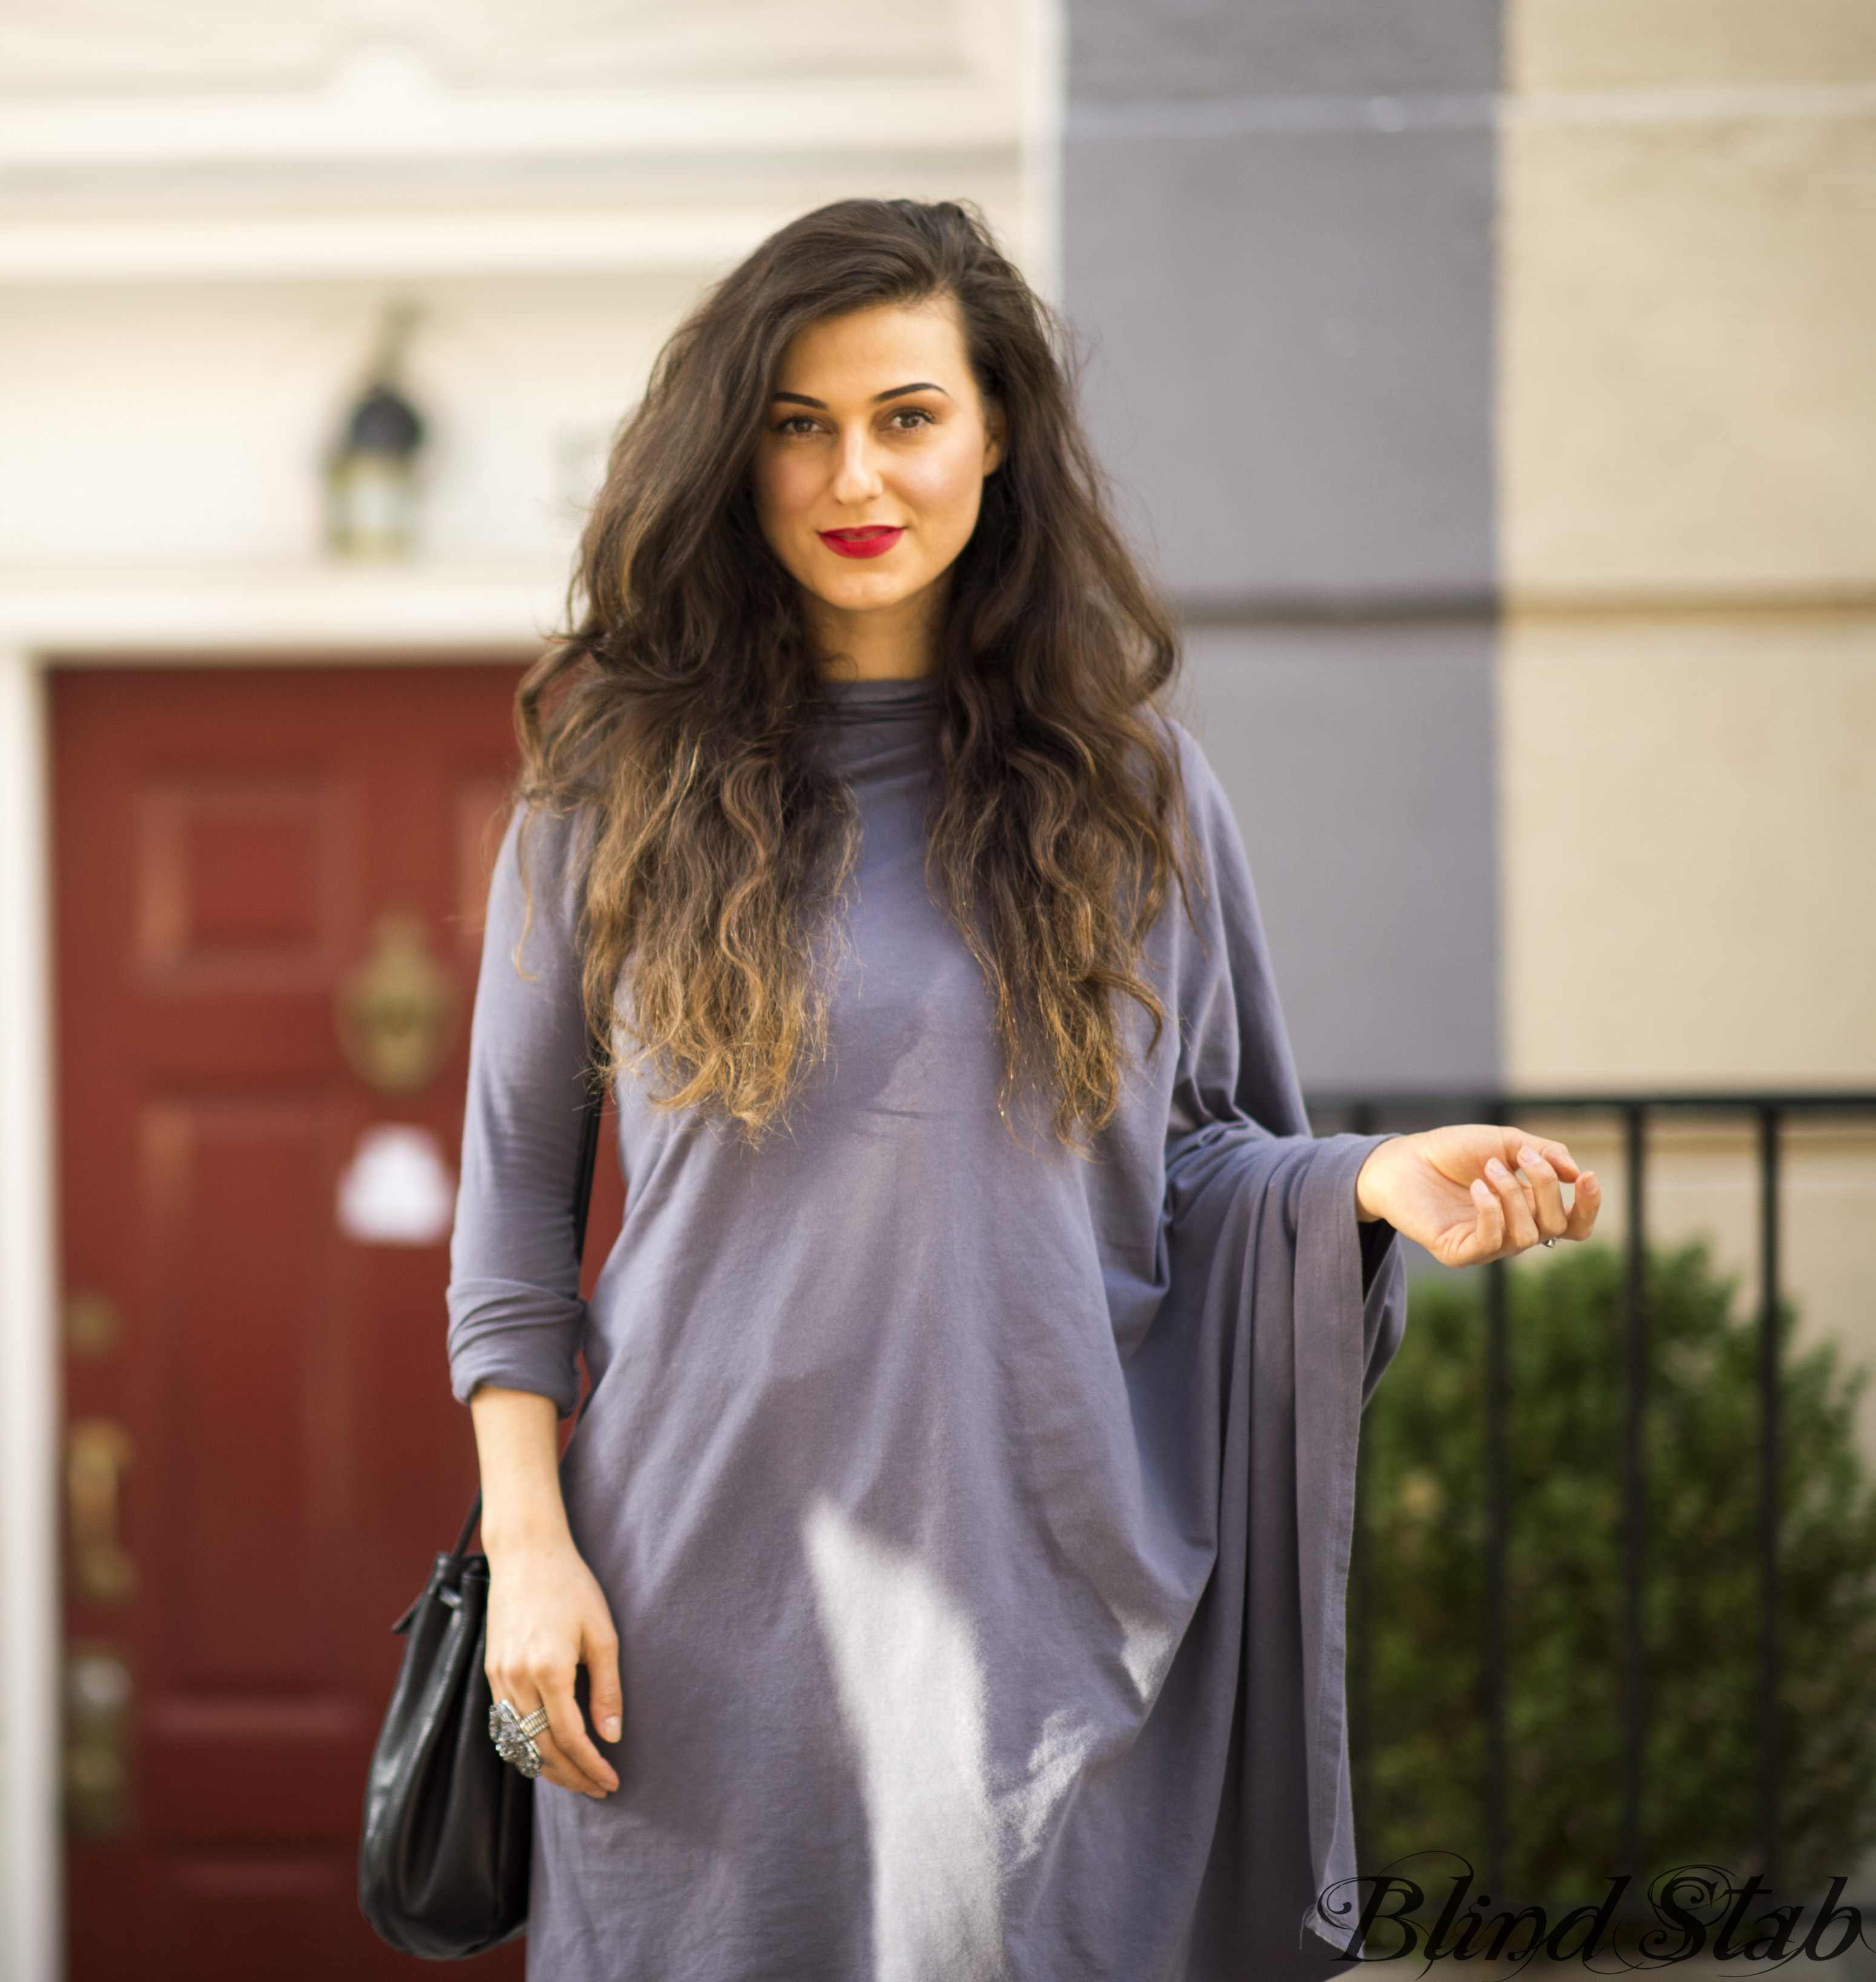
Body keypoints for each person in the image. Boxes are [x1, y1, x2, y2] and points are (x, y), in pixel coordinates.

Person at [445, 197, 1599, 1982]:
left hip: (1034, 1591)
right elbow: (517, 1215)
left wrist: (1362, 1188)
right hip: (691, 1601)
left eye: (908, 415)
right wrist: (531, 1549)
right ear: (733, 454)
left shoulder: (1135, 793)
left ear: (996, 439)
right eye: (799, 423)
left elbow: (1198, 1165)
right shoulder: (611, 793)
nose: (858, 473)